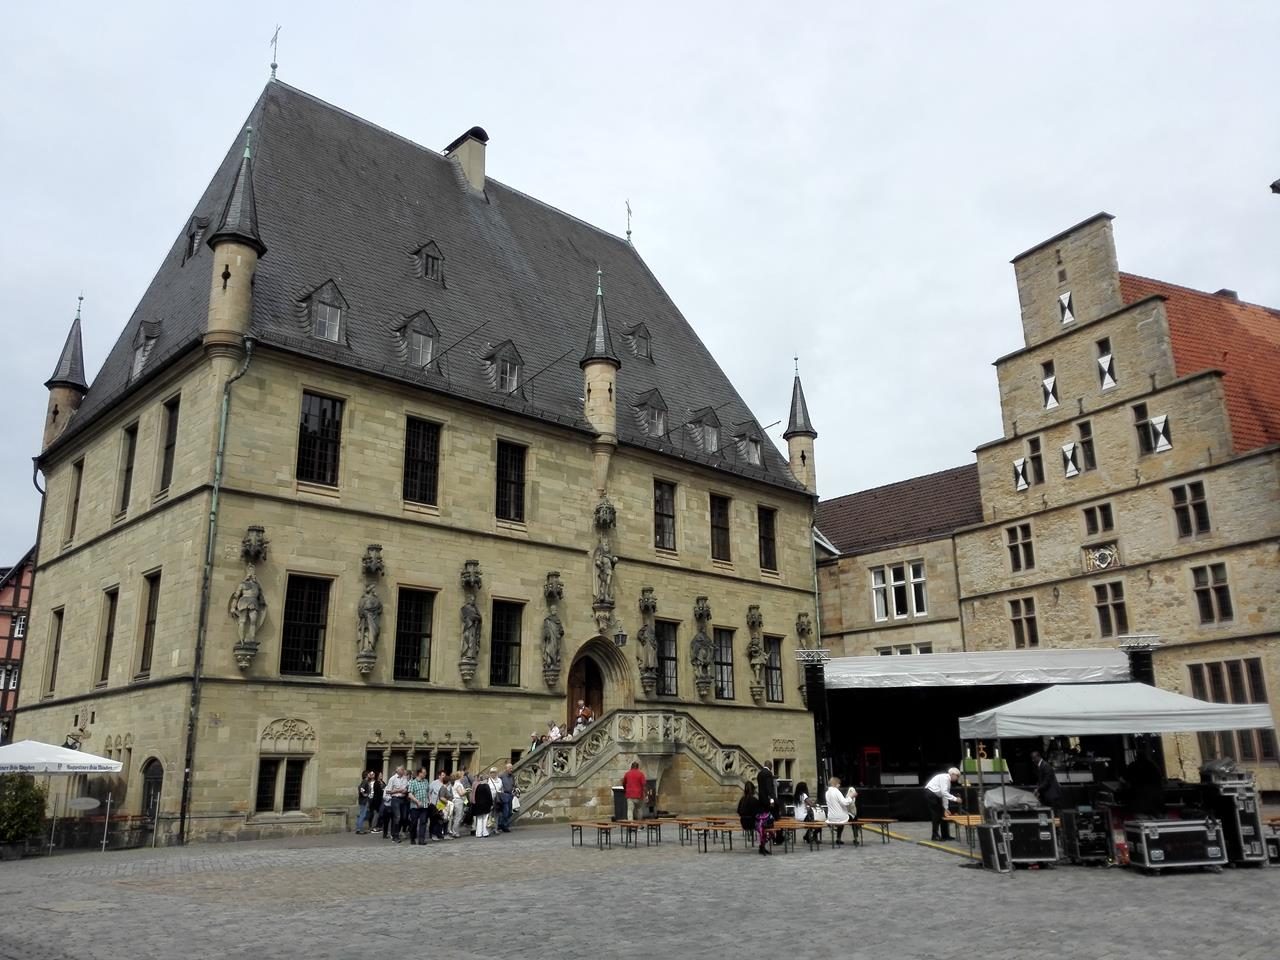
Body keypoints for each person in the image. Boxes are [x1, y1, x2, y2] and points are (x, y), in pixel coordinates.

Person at [924, 767, 962, 841]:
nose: (957, 778)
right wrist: (955, 799)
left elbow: (945, 796)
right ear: (952, 774)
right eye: (957, 776)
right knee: (936, 815)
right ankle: (934, 836)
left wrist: (946, 808)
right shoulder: (945, 778)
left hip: (936, 795)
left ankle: (945, 835)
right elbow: (944, 793)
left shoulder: (948, 781)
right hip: (931, 793)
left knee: (943, 814)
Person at [737, 782, 770, 855]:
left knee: (762, 825)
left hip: (743, 822)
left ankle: (762, 846)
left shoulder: (742, 799)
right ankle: (762, 846)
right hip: (752, 823)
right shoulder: (754, 800)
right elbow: (759, 812)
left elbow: (738, 811)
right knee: (763, 826)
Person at [825, 776, 854, 846]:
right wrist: (850, 796)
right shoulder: (836, 791)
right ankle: (856, 837)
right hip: (840, 817)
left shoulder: (827, 792)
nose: (839, 785)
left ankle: (838, 838)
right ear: (836, 784)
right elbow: (845, 802)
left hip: (831, 817)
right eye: (839, 783)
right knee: (854, 818)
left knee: (841, 822)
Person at [383, 766, 410, 842]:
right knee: (397, 817)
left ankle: (397, 832)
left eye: (403, 769)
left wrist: (405, 790)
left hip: (403, 799)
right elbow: (388, 791)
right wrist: (398, 790)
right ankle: (395, 836)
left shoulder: (405, 778)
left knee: (404, 817)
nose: (403, 771)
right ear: (397, 771)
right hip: (395, 799)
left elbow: (407, 788)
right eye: (401, 770)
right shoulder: (392, 779)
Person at [406, 768, 431, 845]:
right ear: (419, 773)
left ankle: (421, 840)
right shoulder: (412, 782)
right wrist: (417, 801)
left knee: (423, 822)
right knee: (414, 823)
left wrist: (429, 799)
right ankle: (413, 838)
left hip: (424, 806)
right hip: (415, 806)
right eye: (424, 773)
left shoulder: (426, 781)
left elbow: (427, 792)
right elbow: (410, 794)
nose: (425, 774)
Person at [472, 769, 495, 838]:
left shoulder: (478, 786)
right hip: (485, 805)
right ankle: (485, 832)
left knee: (479, 819)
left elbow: (475, 796)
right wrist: (491, 804)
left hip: (478, 805)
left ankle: (478, 833)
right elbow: (489, 796)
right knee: (485, 819)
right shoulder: (486, 786)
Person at [794, 780, 816, 845]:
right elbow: (811, 804)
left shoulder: (795, 796)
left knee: (812, 821)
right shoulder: (804, 795)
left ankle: (807, 836)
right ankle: (808, 836)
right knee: (815, 822)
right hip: (803, 816)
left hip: (797, 816)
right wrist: (815, 803)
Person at [497, 762, 516, 833]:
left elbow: (514, 785)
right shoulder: (501, 776)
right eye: (510, 768)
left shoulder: (512, 776)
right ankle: (504, 825)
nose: (511, 769)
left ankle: (502, 824)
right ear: (506, 769)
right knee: (506, 811)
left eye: (512, 768)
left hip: (511, 795)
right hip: (504, 795)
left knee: (510, 811)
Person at [448, 771, 468, 838]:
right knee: (458, 817)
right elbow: (461, 793)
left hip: (457, 800)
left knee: (457, 817)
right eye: (462, 775)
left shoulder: (456, 783)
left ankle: (455, 831)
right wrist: (467, 790)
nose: (463, 777)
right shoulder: (458, 784)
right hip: (458, 801)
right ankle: (455, 832)